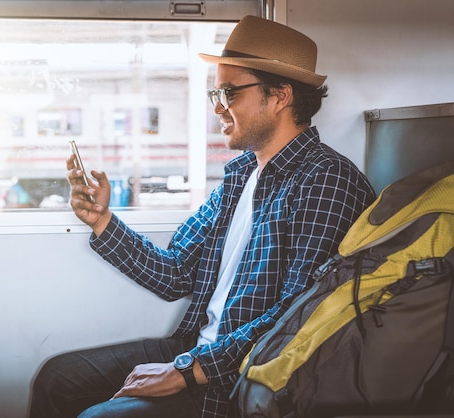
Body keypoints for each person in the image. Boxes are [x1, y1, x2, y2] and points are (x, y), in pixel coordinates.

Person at [29, 15, 376, 418]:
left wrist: (189, 372)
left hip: (241, 372)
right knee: (57, 378)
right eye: (217, 91)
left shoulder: (328, 180)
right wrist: (102, 220)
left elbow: (297, 315)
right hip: (195, 346)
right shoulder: (240, 174)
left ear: (279, 96)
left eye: (229, 92)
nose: (218, 107)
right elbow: (174, 273)